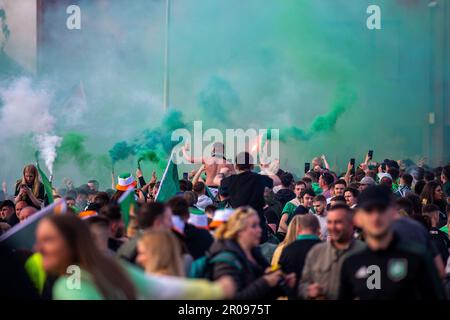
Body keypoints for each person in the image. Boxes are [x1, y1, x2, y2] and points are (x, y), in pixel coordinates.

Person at [35, 214, 233, 300]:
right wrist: (217, 290)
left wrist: (217, 290)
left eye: (48, 240)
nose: (38, 248)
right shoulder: (107, 266)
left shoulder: (71, 279)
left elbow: (159, 288)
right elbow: (160, 289)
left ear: (73, 241)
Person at [339, 185, 445, 300]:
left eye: (382, 209)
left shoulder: (417, 258)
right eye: (369, 210)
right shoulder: (351, 262)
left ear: (394, 213)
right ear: (358, 218)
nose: (376, 217)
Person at [208, 207, 295, 299]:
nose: (260, 230)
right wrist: (266, 282)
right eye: (254, 226)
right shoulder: (225, 259)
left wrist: (283, 285)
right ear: (238, 230)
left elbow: (265, 291)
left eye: (259, 224)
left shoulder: (254, 252)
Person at [298, 204, 365, 300]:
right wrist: (309, 291)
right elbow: (303, 285)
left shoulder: (366, 252)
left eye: (338, 222)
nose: (332, 227)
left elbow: (376, 289)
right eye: (329, 222)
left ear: (351, 223)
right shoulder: (316, 251)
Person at [220, 152, 274, 243]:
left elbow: (217, 181)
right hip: (257, 225)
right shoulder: (258, 178)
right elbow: (276, 180)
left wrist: (221, 173)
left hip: (239, 225)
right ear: (252, 166)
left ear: (236, 166)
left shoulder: (231, 180)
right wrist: (265, 169)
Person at [278, 215, 321, 281]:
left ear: (299, 229)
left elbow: (280, 276)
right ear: (318, 229)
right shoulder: (325, 248)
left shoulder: (287, 250)